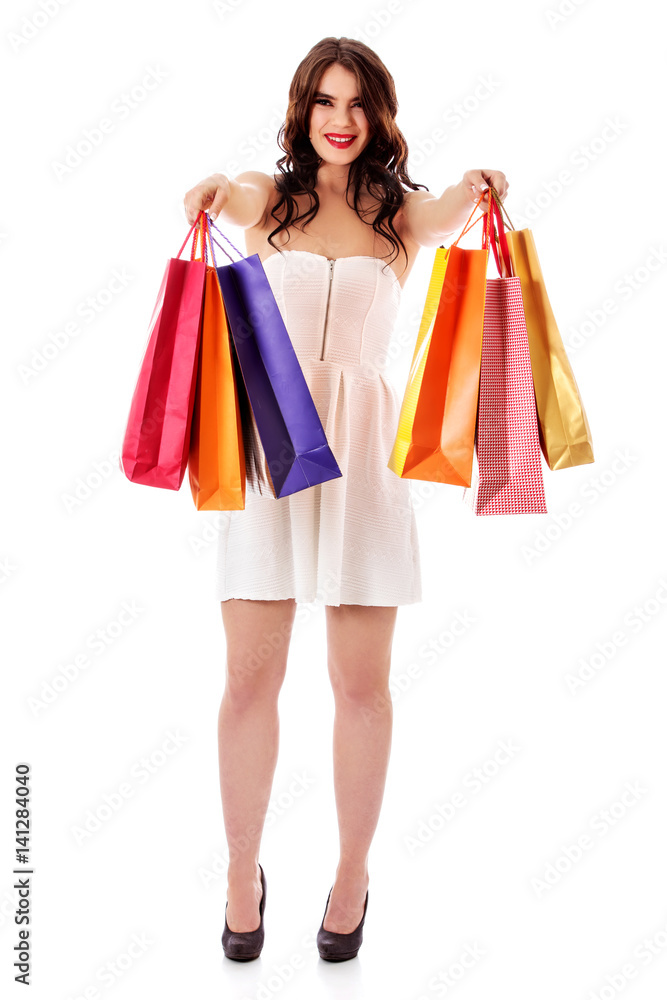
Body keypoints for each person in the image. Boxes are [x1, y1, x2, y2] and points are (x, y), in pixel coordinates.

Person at [183, 35, 508, 963]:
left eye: (357, 104)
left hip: (363, 463)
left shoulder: (399, 216)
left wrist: (480, 180)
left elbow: (448, 212)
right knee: (249, 679)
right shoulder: (268, 200)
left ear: (378, 117)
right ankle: (242, 872)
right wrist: (210, 186)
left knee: (360, 688)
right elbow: (234, 192)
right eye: (324, 102)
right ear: (302, 111)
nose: (339, 120)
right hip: (270, 456)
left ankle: (353, 876)